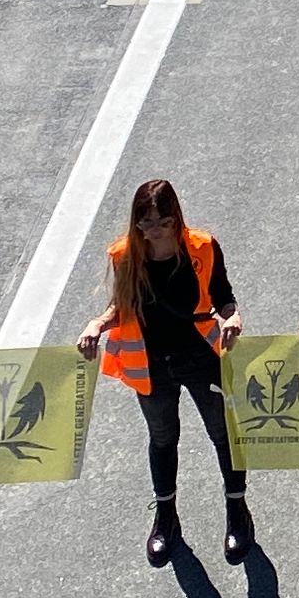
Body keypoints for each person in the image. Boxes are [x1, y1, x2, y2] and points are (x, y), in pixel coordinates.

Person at [77, 176, 251, 570]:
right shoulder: (126, 256)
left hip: (201, 356)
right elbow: (120, 307)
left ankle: (237, 510)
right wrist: (95, 325)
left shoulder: (202, 248)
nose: (152, 231)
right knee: (162, 438)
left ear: (176, 219)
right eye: (145, 223)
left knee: (223, 435)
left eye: (161, 222)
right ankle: (166, 517)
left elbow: (223, 297)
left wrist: (233, 317)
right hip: (152, 364)